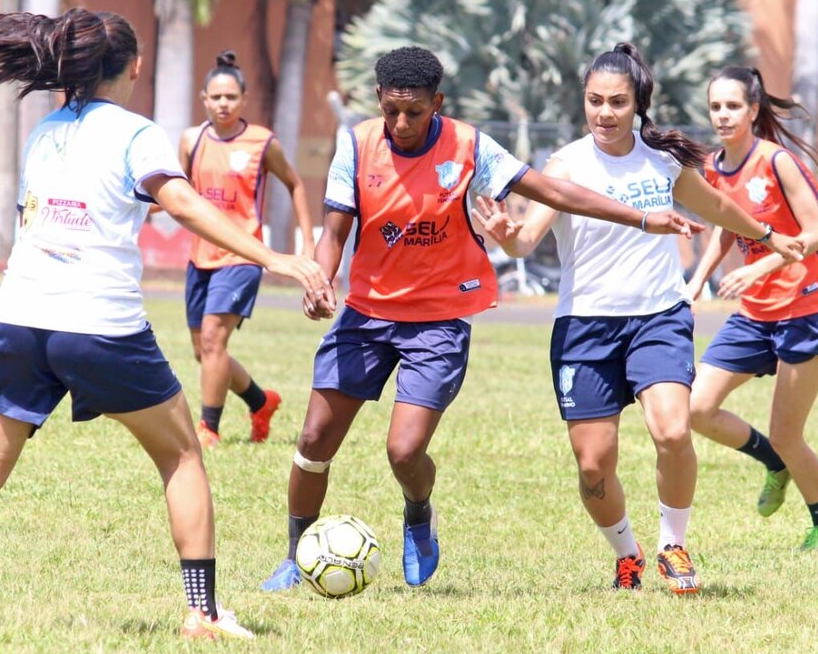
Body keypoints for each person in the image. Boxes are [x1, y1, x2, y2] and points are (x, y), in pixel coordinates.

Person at [0, 9, 334, 640]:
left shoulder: (45, 130)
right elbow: (180, 203)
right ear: (134, 66)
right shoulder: (138, 134)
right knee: (182, 454)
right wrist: (274, 257)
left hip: (20, 316)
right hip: (99, 321)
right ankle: (202, 613)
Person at [260, 45, 706, 593]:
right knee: (313, 439)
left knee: (403, 451)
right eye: (391, 110)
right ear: (378, 100)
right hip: (367, 313)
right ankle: (293, 552)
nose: (401, 123)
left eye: (415, 112)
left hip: (439, 319)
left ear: (437, 103)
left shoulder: (470, 146)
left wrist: (641, 217)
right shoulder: (354, 147)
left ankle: (418, 511)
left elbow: (556, 191)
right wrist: (322, 280)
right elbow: (334, 234)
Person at [473, 43, 804, 594]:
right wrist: (508, 237)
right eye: (594, 101)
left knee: (673, 430)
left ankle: (673, 545)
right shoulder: (566, 165)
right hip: (586, 326)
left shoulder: (661, 161)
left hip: (658, 316)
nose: (604, 113)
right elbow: (529, 239)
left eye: (617, 102)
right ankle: (627, 554)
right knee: (593, 466)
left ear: (638, 105)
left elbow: (717, 207)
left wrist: (768, 235)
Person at [685, 66, 818, 552]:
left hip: (805, 311)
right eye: (715, 106)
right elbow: (726, 226)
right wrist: (695, 281)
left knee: (787, 433)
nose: (722, 115)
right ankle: (771, 462)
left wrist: (758, 270)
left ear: (753, 111)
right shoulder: (715, 166)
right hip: (755, 316)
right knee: (696, 407)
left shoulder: (777, 163)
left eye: (732, 106)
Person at [179, 50, 315, 449]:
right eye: (215, 97)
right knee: (204, 353)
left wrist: (305, 242)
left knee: (212, 342)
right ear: (203, 98)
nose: (223, 104)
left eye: (230, 97)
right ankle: (260, 400)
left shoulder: (262, 142)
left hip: (243, 256)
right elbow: (179, 192)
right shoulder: (192, 139)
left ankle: (208, 429)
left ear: (243, 99)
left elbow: (295, 184)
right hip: (199, 256)